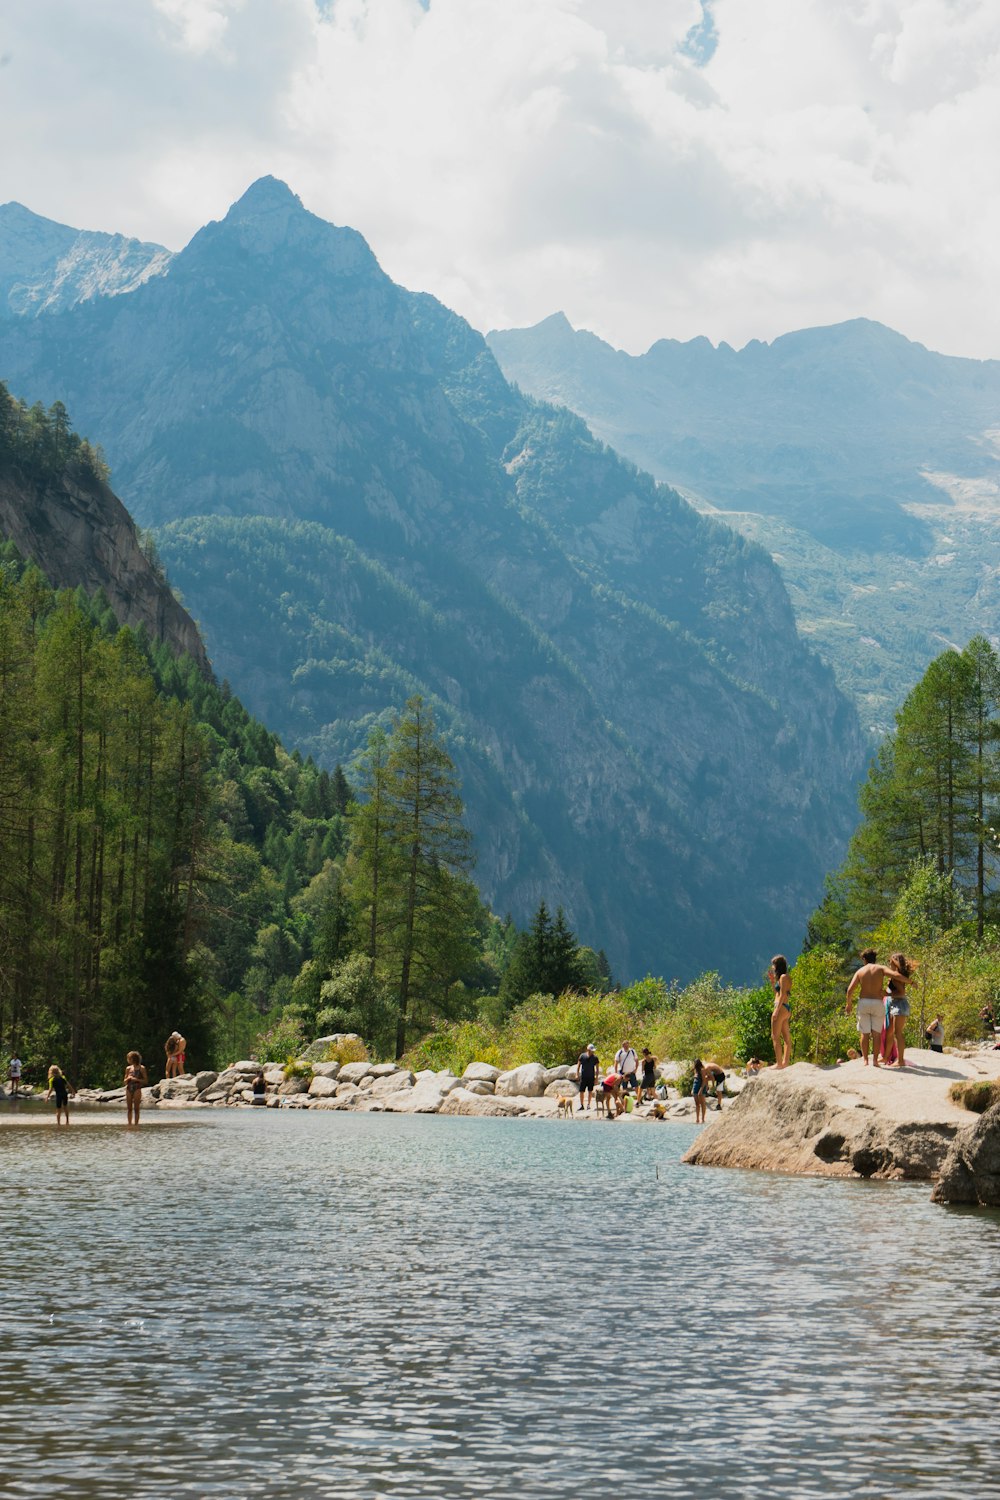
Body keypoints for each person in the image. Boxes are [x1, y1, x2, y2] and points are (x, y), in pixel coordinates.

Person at [844, 950, 907, 1066]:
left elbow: (849, 990)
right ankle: (875, 1061)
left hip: (864, 1002)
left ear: (864, 959)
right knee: (876, 1033)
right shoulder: (881, 968)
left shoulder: (860, 971)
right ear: (875, 958)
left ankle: (865, 1060)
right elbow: (896, 975)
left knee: (864, 1033)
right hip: (877, 1003)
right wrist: (910, 981)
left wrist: (849, 1004)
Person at [883, 953, 917, 1069]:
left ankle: (901, 1060)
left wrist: (887, 994)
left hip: (899, 1004)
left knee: (898, 1033)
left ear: (894, 962)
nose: (889, 963)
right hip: (896, 1004)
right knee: (889, 1032)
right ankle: (886, 1057)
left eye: (890, 961)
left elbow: (901, 992)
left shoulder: (896, 976)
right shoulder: (897, 975)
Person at [769, 955, 792, 1069]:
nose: (772, 967)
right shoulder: (784, 977)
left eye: (773, 965)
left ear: (778, 965)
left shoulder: (783, 977)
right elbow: (777, 993)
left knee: (775, 1036)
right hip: (785, 1008)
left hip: (781, 1007)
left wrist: (776, 1011)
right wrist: (773, 982)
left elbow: (782, 995)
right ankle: (785, 1063)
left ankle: (779, 1064)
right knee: (786, 1037)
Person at [124, 1051, 148, 1126]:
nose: (128, 1060)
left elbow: (145, 1081)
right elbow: (124, 1081)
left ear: (133, 1059)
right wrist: (128, 1079)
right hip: (129, 1088)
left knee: (136, 1109)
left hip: (137, 1088)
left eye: (129, 1058)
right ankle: (129, 1124)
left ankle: (136, 1124)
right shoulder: (128, 1068)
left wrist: (136, 1080)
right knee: (129, 1109)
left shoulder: (142, 1068)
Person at [575, 1043, 600, 1111]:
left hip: (591, 1076)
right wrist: (577, 1074)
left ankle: (588, 1105)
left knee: (590, 1091)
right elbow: (578, 1065)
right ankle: (581, 1105)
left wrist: (596, 1078)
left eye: (593, 1051)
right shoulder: (582, 1056)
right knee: (581, 1091)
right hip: (583, 1076)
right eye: (591, 1050)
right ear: (588, 1049)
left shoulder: (595, 1058)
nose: (592, 1052)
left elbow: (597, 1069)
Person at [692, 1059, 707, 1123]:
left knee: (702, 1103)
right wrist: (692, 1089)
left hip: (701, 1088)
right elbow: (694, 1081)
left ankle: (703, 1119)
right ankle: (697, 1119)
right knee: (697, 1104)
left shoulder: (702, 1070)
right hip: (695, 1088)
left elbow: (704, 1081)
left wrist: (701, 1090)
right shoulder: (696, 1071)